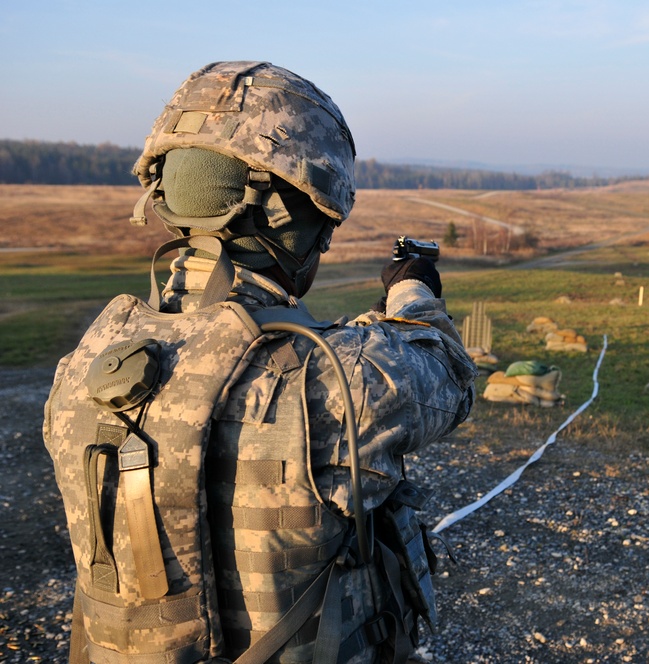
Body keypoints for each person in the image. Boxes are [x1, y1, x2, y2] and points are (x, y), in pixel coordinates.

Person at [44, 61, 477, 664]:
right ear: (289, 220)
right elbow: (450, 377)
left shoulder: (88, 364)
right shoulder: (332, 376)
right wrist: (412, 292)